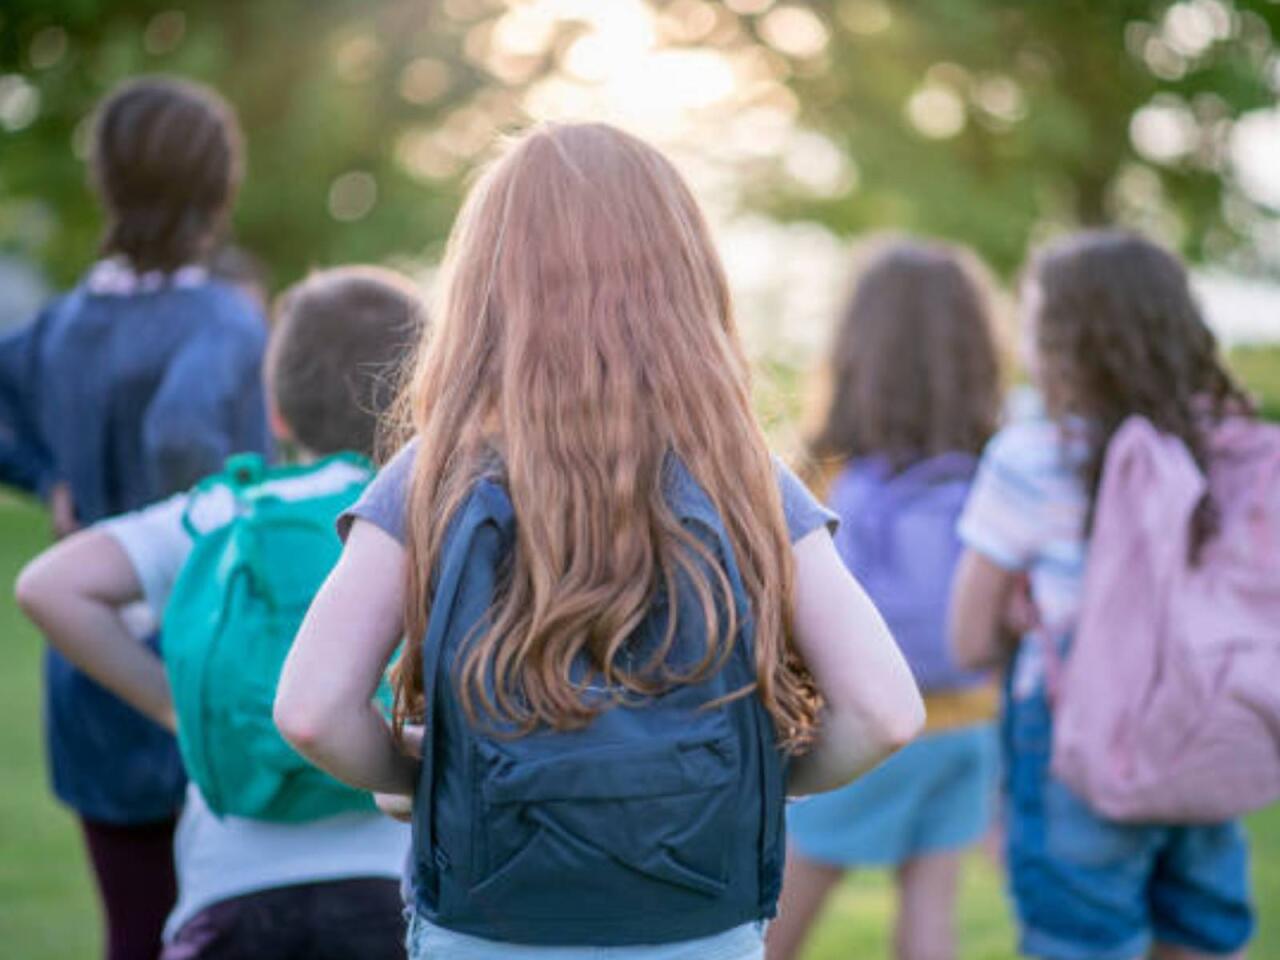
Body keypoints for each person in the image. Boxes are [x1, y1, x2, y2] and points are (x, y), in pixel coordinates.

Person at [274, 122, 926, 960]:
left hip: (487, 928)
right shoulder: (742, 475)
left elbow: (310, 709)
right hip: (699, 928)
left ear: (486, 287)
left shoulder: (434, 473)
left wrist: (424, 781)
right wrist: (748, 787)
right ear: (684, 279)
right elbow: (884, 711)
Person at [16, 266, 424, 959]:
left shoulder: (224, 510)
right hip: (391, 885)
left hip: (231, 886)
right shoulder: (423, 516)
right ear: (420, 404)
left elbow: (48, 586)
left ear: (277, 413)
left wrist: (174, 709)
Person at [0, 76, 272, 960]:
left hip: (89, 673)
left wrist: (49, 479)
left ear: (106, 184)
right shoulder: (224, 324)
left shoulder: (59, 325)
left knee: (133, 930)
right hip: (207, 668)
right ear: (218, 186)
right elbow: (185, 432)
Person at [949, 230, 1255, 960]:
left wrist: (1022, 622)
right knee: (1202, 935)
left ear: (1060, 343)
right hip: (1207, 721)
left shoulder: (1032, 456)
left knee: (1080, 940)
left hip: (1072, 736)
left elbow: (963, 640)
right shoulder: (1231, 449)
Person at [767, 241, 1003, 960]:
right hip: (967, 721)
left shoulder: (823, 475)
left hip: (859, 722)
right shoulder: (996, 467)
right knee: (931, 899)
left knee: (783, 903)